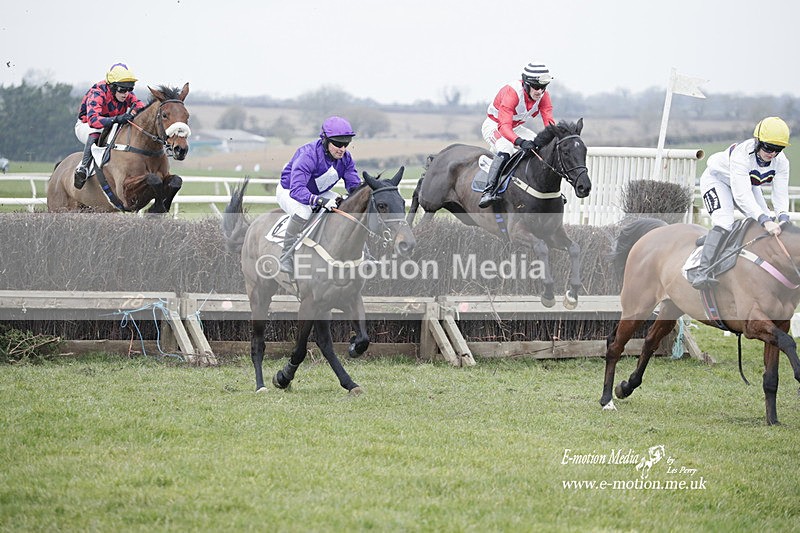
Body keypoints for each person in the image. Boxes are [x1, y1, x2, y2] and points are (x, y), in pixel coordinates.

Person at [692, 116, 792, 289]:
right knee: (725, 222)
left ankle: (712, 240)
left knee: (767, 219)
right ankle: (702, 271)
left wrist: (783, 218)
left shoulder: (782, 162)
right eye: (769, 147)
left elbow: (780, 194)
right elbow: (741, 195)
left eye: (779, 149)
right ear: (758, 141)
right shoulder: (742, 155)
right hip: (718, 180)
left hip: (747, 184)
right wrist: (765, 221)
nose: (773, 153)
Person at [276, 116, 362, 274]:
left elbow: (354, 186)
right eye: (337, 143)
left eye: (346, 143)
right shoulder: (308, 155)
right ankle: (285, 256)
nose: (342, 148)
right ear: (325, 140)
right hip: (290, 190)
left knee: (343, 207)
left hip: (318, 191)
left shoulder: (346, 159)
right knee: (304, 212)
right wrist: (318, 200)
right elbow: (297, 190)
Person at [478, 61, 556, 208]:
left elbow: (549, 123)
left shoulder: (544, 96)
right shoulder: (512, 93)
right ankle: (489, 191)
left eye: (544, 87)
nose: (540, 91)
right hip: (495, 125)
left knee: (538, 148)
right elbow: (504, 126)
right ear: (526, 84)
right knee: (506, 147)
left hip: (516, 127)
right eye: (537, 87)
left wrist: (555, 138)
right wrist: (519, 142)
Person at [73, 63, 146, 189]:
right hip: (86, 125)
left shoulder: (125, 94)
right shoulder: (97, 93)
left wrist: (132, 114)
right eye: (122, 90)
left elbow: (141, 107)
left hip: (111, 124)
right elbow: (94, 120)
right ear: (112, 87)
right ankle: (83, 168)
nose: (126, 94)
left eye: (129, 89)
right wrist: (117, 119)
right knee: (96, 132)